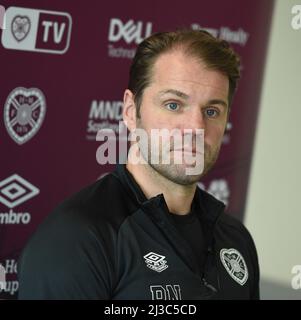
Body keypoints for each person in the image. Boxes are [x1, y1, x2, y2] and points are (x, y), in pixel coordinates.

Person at [18, 28, 260, 300]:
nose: (196, 127)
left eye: (212, 111)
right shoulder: (78, 240)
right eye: (173, 105)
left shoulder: (235, 238)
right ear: (131, 111)